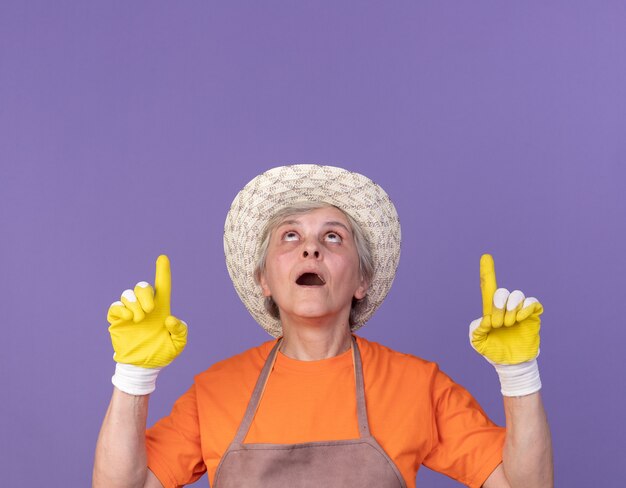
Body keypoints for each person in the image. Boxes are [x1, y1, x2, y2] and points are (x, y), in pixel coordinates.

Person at [93, 164, 553, 488]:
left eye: (333, 236)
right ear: (264, 280)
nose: (311, 249)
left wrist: (518, 373)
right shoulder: (214, 392)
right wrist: (133, 374)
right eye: (290, 236)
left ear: (362, 279)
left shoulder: (418, 386)